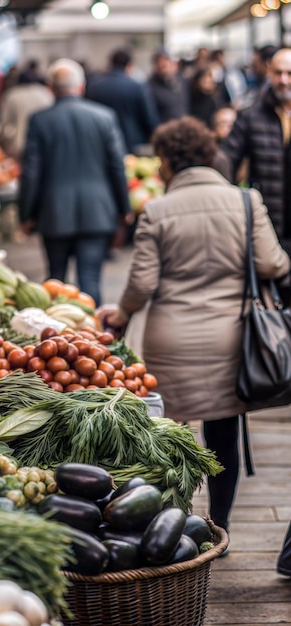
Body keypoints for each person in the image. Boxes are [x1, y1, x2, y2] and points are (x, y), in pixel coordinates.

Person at [97, 116, 291, 535]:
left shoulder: (156, 210)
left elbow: (142, 284)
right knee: (224, 434)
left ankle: (172, 527)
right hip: (232, 338)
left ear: (167, 160)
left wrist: (120, 312)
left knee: (170, 433)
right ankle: (219, 525)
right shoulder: (246, 201)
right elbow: (273, 263)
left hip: (171, 340)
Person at [18, 58, 132, 306]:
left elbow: (31, 172)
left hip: (54, 212)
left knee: (55, 282)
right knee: (90, 282)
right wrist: (124, 209)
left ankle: (54, 339)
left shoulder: (40, 120)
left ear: (50, 87)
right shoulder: (104, 117)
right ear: (81, 86)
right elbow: (117, 166)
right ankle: (95, 341)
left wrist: (25, 215)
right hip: (97, 211)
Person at [222, 48, 291, 254]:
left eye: (290, 73)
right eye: (278, 73)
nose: (284, 80)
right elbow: (228, 161)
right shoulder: (251, 116)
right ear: (269, 73)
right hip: (267, 219)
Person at [85, 49, 158, 155]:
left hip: (100, 142)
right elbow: (149, 118)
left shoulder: (94, 86)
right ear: (129, 66)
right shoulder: (137, 87)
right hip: (132, 144)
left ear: (110, 64)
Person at [0, 72, 54, 161]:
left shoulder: (12, 94)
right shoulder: (46, 94)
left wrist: (2, 140)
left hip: (19, 144)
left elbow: (4, 122)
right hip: (44, 144)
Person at [147, 49, 188, 124]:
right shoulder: (149, 87)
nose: (163, 64)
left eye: (166, 60)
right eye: (159, 61)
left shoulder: (182, 82)